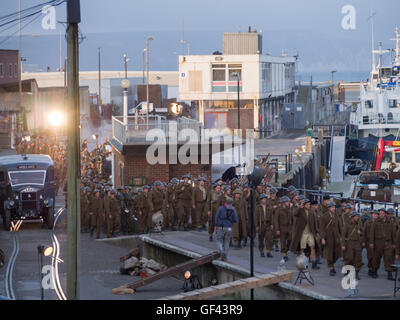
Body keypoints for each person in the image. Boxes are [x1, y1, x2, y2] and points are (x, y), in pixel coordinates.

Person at [290, 199, 319, 269]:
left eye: (309, 204)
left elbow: (315, 222)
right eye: (307, 204)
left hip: (310, 232)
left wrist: (317, 231)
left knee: (313, 247)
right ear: (304, 205)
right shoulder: (300, 211)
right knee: (302, 248)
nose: (309, 206)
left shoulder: (311, 212)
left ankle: (314, 263)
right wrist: (300, 207)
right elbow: (294, 213)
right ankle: (300, 262)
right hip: (303, 232)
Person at [370, 208, 397, 280]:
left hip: (388, 243)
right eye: (380, 213)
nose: (381, 215)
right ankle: (374, 271)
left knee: (389, 258)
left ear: (385, 214)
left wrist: (394, 243)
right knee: (376, 258)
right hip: (378, 242)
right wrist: (371, 242)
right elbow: (372, 233)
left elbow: (393, 233)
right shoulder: (376, 221)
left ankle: (389, 274)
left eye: (382, 213)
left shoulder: (390, 222)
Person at [319, 201, 341, 276]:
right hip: (328, 237)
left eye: (334, 207)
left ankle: (332, 264)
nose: (333, 208)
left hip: (336, 236)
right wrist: (322, 238)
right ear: (328, 208)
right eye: (332, 207)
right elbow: (321, 228)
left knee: (337, 253)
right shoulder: (324, 216)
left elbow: (339, 226)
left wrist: (341, 236)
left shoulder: (336, 215)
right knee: (329, 253)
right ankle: (331, 268)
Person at [341, 212, 363, 280]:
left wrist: (360, 233)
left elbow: (363, 233)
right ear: (352, 217)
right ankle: (347, 271)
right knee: (349, 258)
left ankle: (356, 273)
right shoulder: (347, 225)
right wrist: (343, 245)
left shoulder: (358, 225)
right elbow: (343, 235)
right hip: (349, 243)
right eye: (356, 216)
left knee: (358, 259)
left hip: (357, 243)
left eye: (358, 217)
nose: (357, 218)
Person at [274, 196, 292, 262]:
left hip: (289, 227)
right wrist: (277, 229)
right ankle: (284, 254)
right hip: (282, 227)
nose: (288, 203)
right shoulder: (278, 209)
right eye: (287, 201)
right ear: (284, 202)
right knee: (283, 241)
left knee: (291, 239)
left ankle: (286, 249)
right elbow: (276, 220)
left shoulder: (289, 209)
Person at [255, 193, 274, 257]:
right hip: (261, 224)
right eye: (263, 199)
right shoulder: (257, 207)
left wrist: (272, 224)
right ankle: (262, 251)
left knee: (269, 238)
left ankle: (268, 251)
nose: (264, 200)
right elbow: (255, 217)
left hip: (268, 224)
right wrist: (256, 225)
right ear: (260, 200)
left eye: (265, 199)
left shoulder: (269, 207)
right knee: (261, 239)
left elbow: (272, 216)